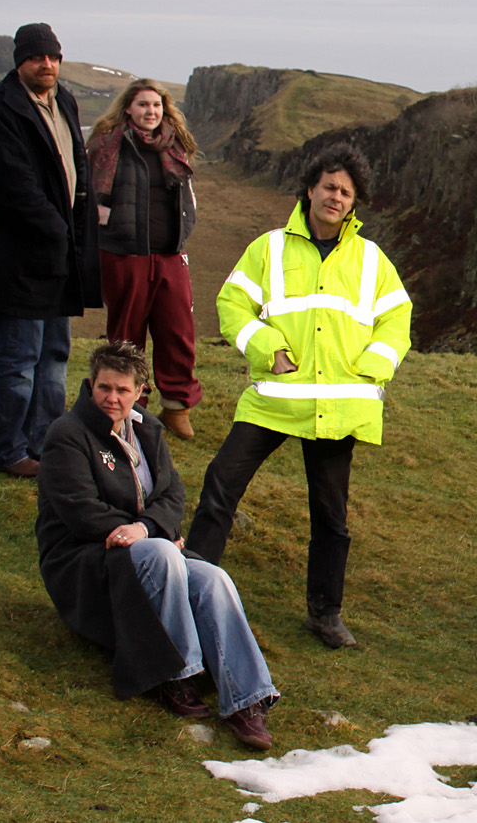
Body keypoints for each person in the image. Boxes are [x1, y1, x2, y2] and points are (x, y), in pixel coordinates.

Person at [185, 143, 412, 649]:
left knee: (331, 517)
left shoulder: (372, 259)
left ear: (354, 203)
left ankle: (325, 614)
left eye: (346, 192)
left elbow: (398, 319)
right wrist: (267, 347)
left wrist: (373, 366)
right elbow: (232, 303)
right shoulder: (268, 248)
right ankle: (189, 592)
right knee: (222, 482)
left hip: (337, 407)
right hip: (274, 397)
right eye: (329, 187)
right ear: (310, 190)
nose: (336, 197)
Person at [36, 341, 278, 750]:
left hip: (145, 546)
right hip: (83, 558)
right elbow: (79, 510)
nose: (112, 398)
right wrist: (146, 534)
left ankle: (246, 699)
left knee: (213, 578)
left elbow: (172, 494)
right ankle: (176, 674)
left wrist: (148, 528)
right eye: (104, 388)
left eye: (122, 391)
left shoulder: (147, 428)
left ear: (139, 392)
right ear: (91, 385)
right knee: (164, 553)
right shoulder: (67, 435)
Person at [0, 22, 101, 478]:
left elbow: (78, 167)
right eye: (36, 58)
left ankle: (45, 445)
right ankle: (6, 452)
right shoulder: (2, 107)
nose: (46, 64)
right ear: (20, 62)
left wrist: (80, 225)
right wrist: (61, 230)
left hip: (61, 258)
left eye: (52, 57)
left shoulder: (64, 100)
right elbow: (17, 187)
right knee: (17, 361)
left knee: (53, 357)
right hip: (23, 259)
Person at [85, 79, 202, 439]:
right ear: (128, 109)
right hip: (124, 254)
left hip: (169, 254)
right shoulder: (109, 145)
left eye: (156, 105)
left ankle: (176, 407)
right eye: (143, 105)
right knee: (126, 336)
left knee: (178, 332)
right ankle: (128, 408)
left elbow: (188, 198)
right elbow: (93, 198)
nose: (151, 112)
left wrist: (184, 233)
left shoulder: (175, 146)